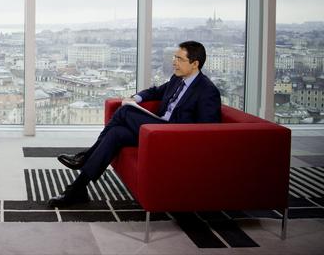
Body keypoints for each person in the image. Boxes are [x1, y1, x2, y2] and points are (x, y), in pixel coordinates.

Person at [49, 40, 221, 207]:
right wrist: (135, 98)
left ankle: (85, 157)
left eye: (179, 59)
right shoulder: (177, 79)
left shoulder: (207, 91)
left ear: (195, 64)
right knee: (116, 133)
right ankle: (77, 189)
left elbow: (207, 132)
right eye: (174, 58)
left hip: (174, 138)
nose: (174, 62)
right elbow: (155, 92)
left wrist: (179, 136)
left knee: (124, 112)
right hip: (156, 131)